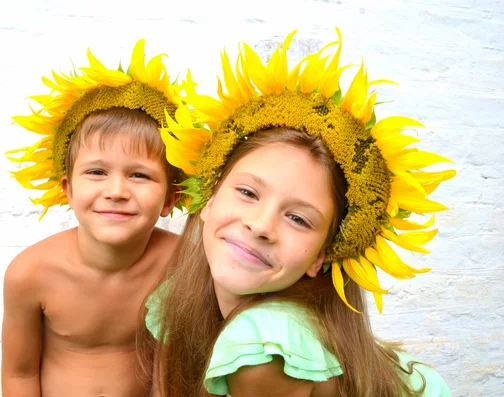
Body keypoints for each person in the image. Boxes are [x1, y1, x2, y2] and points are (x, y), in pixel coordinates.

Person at [139, 29, 455, 397]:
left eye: (298, 219)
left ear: (321, 255)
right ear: (208, 199)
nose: (260, 225)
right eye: (247, 192)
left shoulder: (265, 346)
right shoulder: (186, 301)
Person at [1, 40, 182, 397]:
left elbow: (174, 367)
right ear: (68, 189)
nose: (116, 190)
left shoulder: (180, 265)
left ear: (170, 199)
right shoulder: (31, 273)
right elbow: (19, 375)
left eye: (140, 175)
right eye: (97, 172)